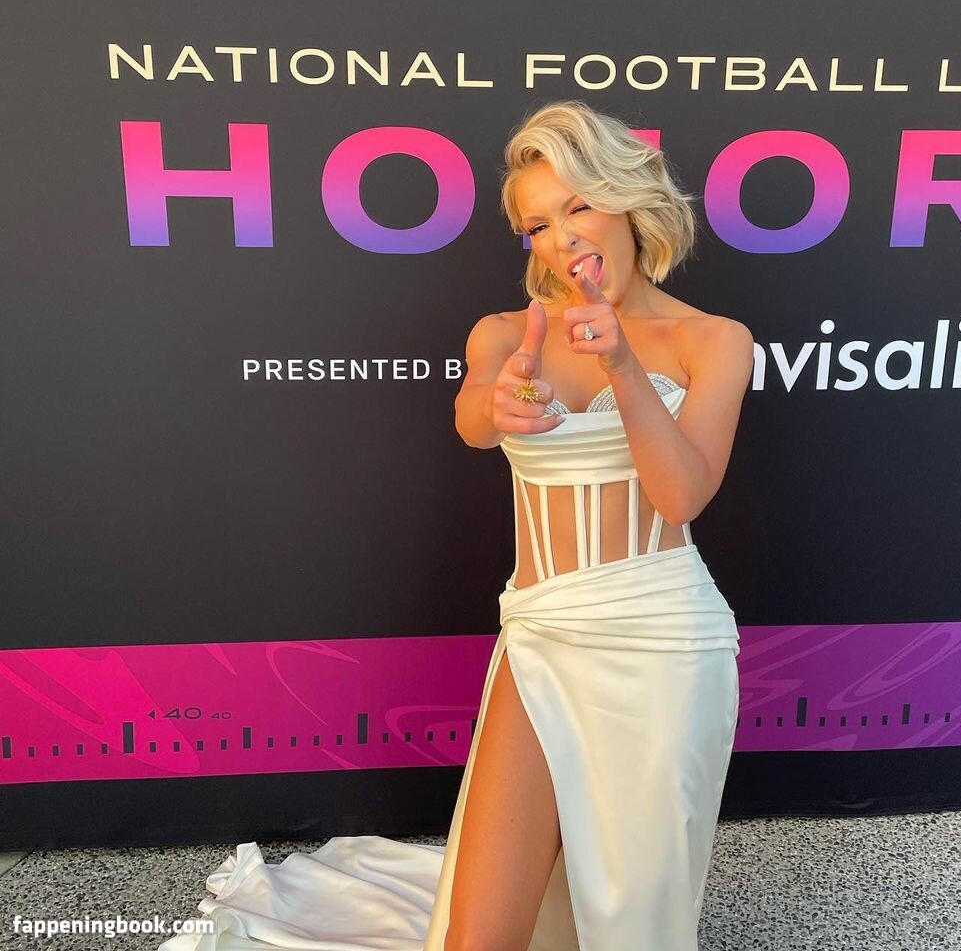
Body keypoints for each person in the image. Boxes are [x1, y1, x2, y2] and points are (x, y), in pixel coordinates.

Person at [160, 100, 754, 951]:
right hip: (542, 634)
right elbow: (474, 419)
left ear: (628, 201)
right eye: (536, 225)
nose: (561, 240)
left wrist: (624, 367)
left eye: (578, 206)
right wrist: (501, 402)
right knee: (479, 935)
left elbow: (682, 495)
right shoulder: (509, 334)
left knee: (628, 926)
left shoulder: (714, 340)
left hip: (666, 643)